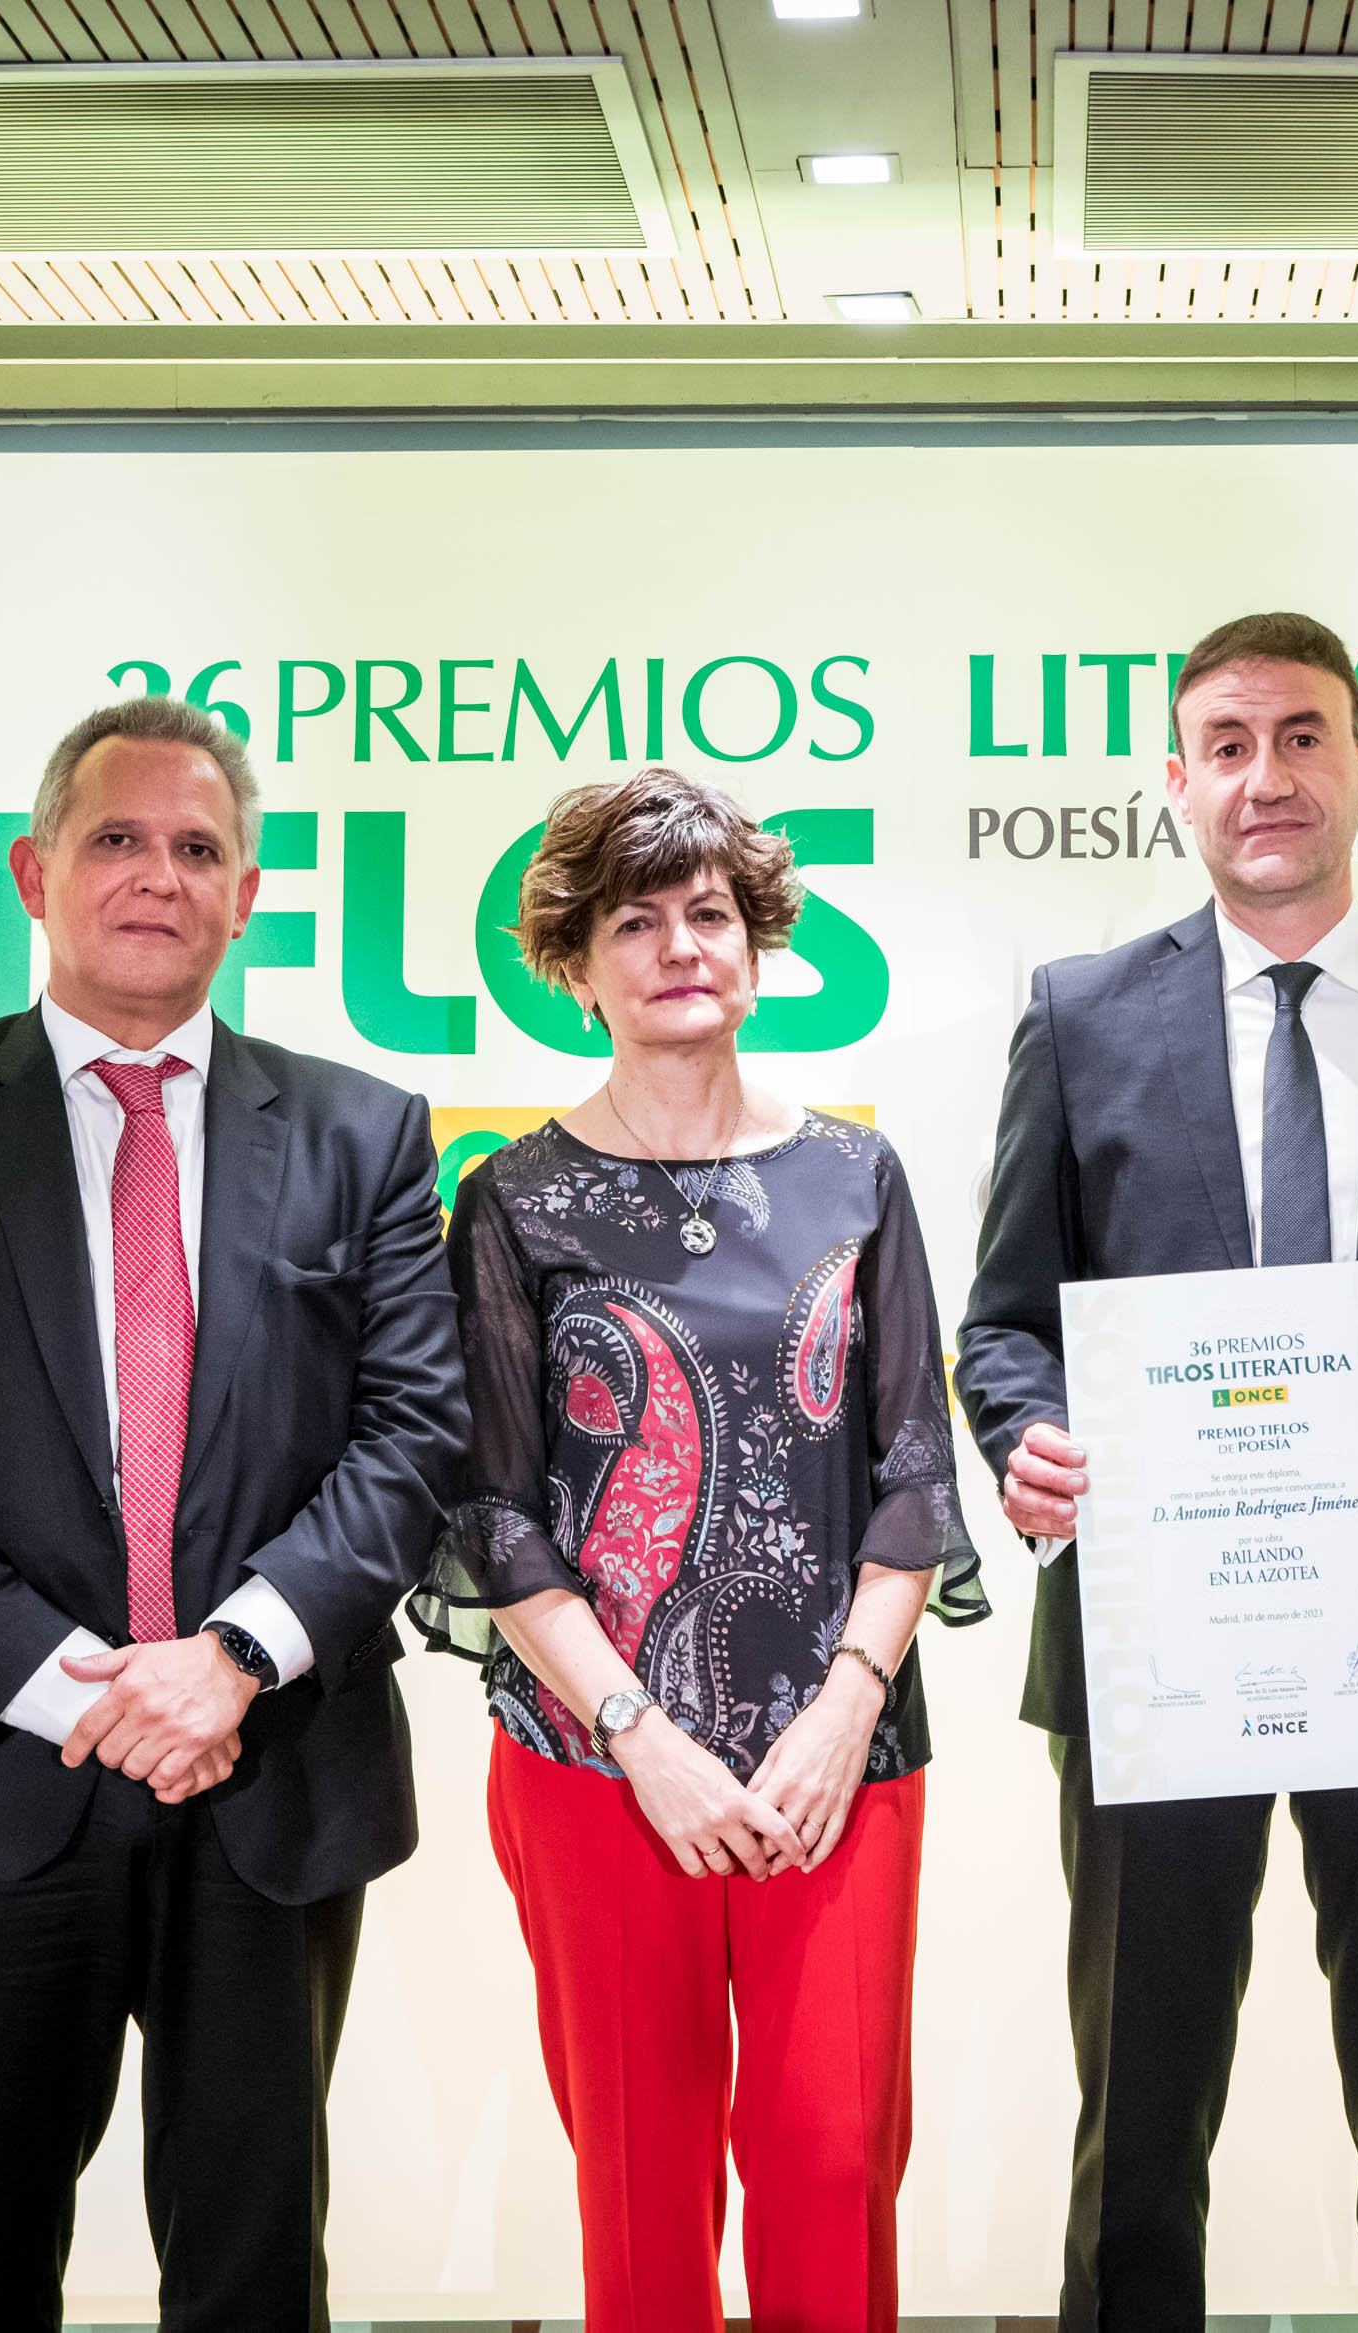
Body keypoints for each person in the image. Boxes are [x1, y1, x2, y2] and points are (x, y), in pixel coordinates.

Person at [0, 696, 468, 2333]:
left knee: (252, 2263)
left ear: (246, 895)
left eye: (197, 847)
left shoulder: (364, 1134)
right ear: (32, 872)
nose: (156, 872)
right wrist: (91, 1689)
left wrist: (225, 1658)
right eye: (115, 838)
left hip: (273, 1763)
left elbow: (415, 1429)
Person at [956, 611, 1358, 2330]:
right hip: (1161, 1651)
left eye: (1301, 736)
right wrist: (1031, 1444)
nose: (1266, 776)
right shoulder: (1080, 1020)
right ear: (1177, 783)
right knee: (1139, 2124)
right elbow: (1004, 1324)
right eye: (1226, 744)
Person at [414, 768, 985, 2333]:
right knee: (643, 2199)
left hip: (839, 1762)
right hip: (598, 1763)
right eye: (636, 919)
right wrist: (639, 1734)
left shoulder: (855, 1176)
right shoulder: (515, 1199)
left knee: (830, 2164)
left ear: (758, 942)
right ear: (578, 962)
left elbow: (913, 1466)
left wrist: (847, 1705)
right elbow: (496, 1511)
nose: (681, 944)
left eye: (711, 913)